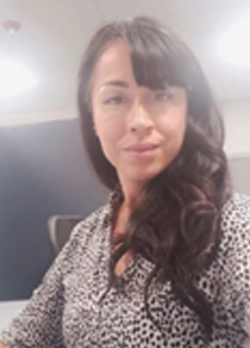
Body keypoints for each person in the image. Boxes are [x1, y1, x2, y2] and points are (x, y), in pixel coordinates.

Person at [0, 16, 250, 348]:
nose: (139, 121)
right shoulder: (85, 237)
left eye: (161, 95)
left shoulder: (234, 227)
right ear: (93, 118)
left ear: (188, 110)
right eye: (115, 99)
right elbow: (25, 337)